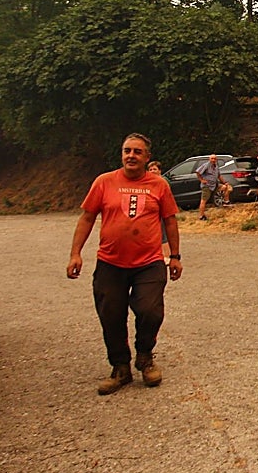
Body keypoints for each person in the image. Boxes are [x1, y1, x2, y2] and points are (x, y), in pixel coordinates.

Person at [67, 133, 182, 395]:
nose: (131, 155)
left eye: (137, 152)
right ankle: (120, 367)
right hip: (110, 262)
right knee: (111, 314)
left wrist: (175, 256)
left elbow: (170, 220)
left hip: (149, 262)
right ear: (121, 154)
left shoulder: (158, 185)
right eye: (127, 151)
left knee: (150, 310)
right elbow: (87, 218)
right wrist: (75, 253)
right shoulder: (104, 182)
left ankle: (144, 356)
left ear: (147, 157)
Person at [194, 154, 230, 220]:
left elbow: (219, 176)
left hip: (214, 185)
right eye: (212, 159)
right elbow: (197, 172)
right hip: (207, 186)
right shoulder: (206, 165)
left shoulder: (216, 166)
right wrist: (201, 180)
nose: (213, 160)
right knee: (203, 201)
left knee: (225, 187)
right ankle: (201, 216)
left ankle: (226, 202)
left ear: (216, 160)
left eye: (214, 159)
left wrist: (225, 182)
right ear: (209, 159)